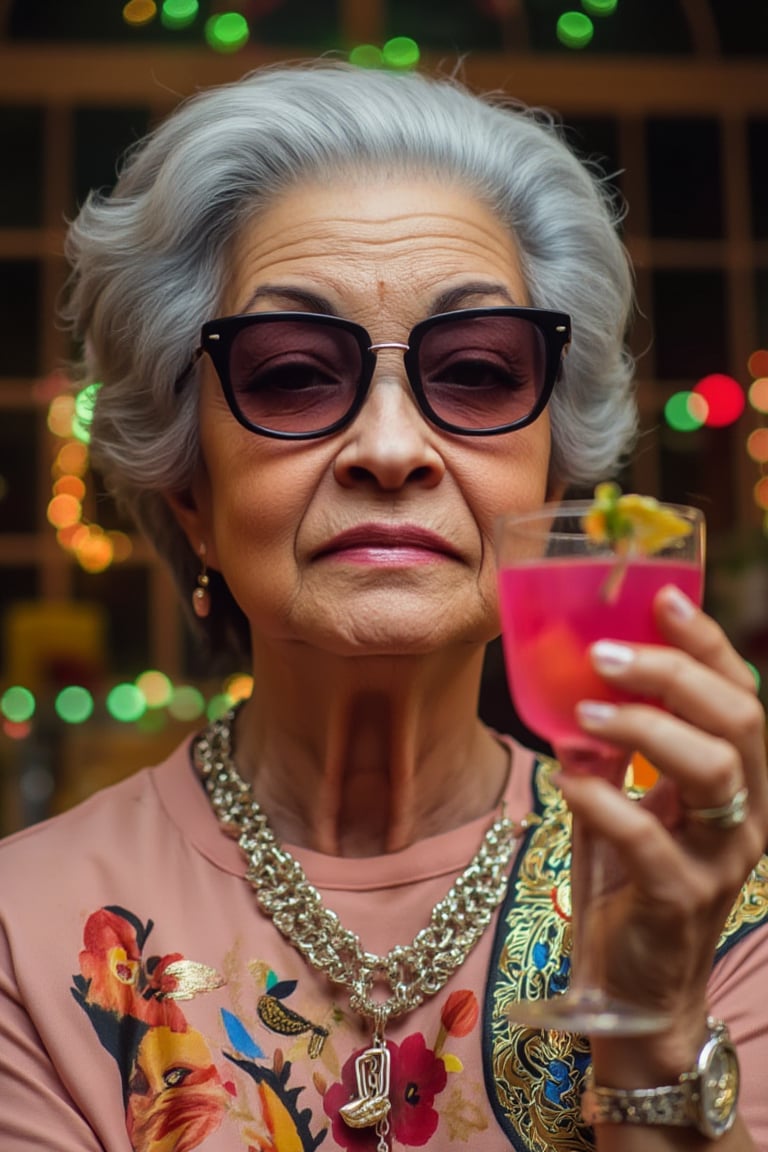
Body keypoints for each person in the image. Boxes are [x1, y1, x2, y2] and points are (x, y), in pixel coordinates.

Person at [0, 60, 766, 1152]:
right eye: (296, 374)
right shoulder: (26, 942)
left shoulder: (714, 903)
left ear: (550, 485)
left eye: (479, 370)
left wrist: (650, 1023)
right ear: (192, 496)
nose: (394, 449)